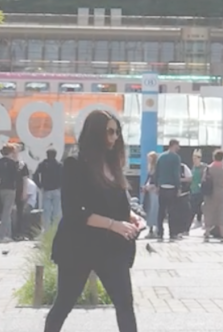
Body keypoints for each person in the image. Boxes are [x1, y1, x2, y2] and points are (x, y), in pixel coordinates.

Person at [44, 110, 143, 332]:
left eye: (117, 132)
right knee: (64, 303)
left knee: (125, 304)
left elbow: (117, 206)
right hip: (79, 246)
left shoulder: (114, 165)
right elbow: (74, 211)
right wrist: (113, 224)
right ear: (96, 132)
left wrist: (133, 218)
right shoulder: (75, 164)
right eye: (110, 132)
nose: (114, 137)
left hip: (112, 247)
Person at [154, 140, 183, 241]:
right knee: (172, 211)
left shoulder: (161, 157)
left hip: (162, 187)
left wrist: (157, 185)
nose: (179, 147)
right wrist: (179, 187)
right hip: (172, 187)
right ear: (174, 145)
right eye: (177, 145)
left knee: (161, 211)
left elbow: (156, 172)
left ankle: (160, 232)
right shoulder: (176, 158)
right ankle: (172, 233)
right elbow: (176, 173)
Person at [202, 150, 223, 243]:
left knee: (208, 212)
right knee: (221, 213)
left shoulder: (208, 169)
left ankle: (207, 232)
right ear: (222, 158)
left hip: (210, 193)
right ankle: (222, 234)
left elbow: (203, 180)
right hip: (221, 194)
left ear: (213, 157)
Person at [0, 145, 21, 242]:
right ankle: (1, 236)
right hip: (10, 188)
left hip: (1, 188)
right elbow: (16, 176)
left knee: (7, 212)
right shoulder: (12, 163)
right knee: (6, 212)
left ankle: (8, 234)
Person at [34, 148, 64, 230]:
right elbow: (64, 177)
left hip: (46, 190)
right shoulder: (59, 165)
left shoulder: (43, 164)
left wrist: (40, 185)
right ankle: (56, 228)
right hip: (57, 190)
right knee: (57, 211)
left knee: (46, 211)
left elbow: (35, 175)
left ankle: (46, 229)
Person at [141, 152, 159, 238]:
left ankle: (156, 229)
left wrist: (153, 186)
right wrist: (145, 187)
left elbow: (157, 181)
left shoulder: (157, 169)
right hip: (149, 191)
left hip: (154, 192)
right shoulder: (150, 169)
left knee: (154, 210)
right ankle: (151, 229)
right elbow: (148, 179)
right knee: (149, 209)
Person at [187, 151, 206, 230]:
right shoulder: (193, 167)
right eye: (193, 159)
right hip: (193, 189)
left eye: (195, 158)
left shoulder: (203, 167)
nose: (194, 160)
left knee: (198, 207)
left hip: (200, 190)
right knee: (192, 207)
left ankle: (199, 220)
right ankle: (196, 221)